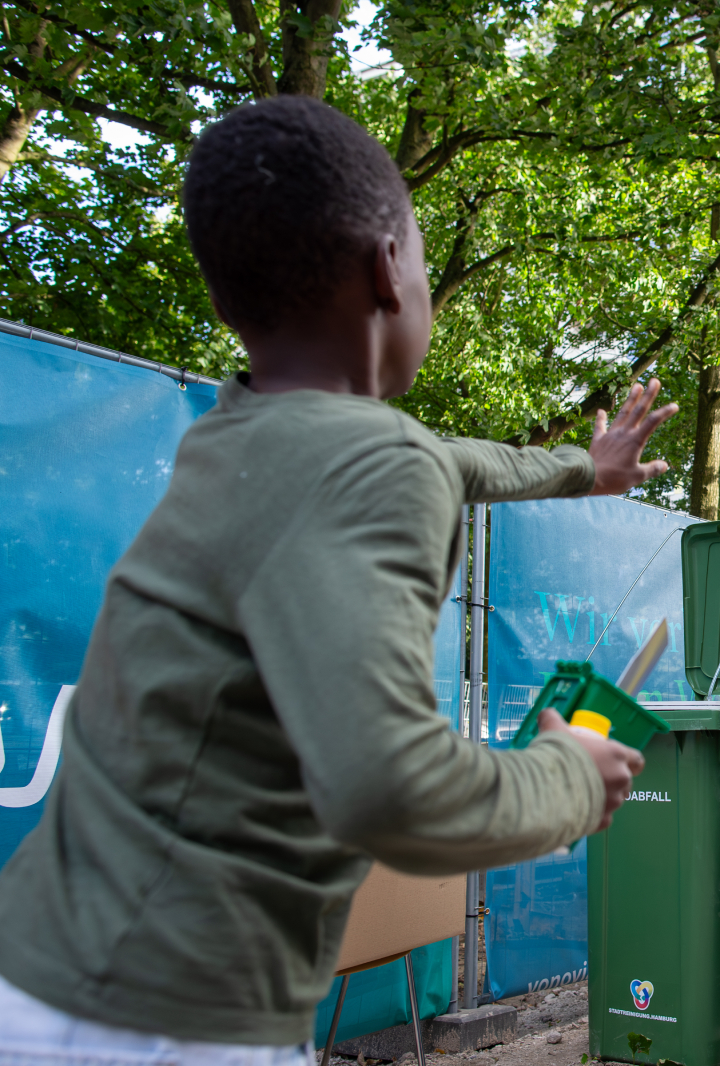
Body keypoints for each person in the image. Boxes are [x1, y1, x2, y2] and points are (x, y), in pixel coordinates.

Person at [0, 95, 676, 1063]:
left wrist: (585, 468)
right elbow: (390, 793)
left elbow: (449, 461)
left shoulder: (242, 441)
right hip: (156, 1023)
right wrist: (571, 777)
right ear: (386, 269)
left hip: (50, 977)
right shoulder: (374, 464)